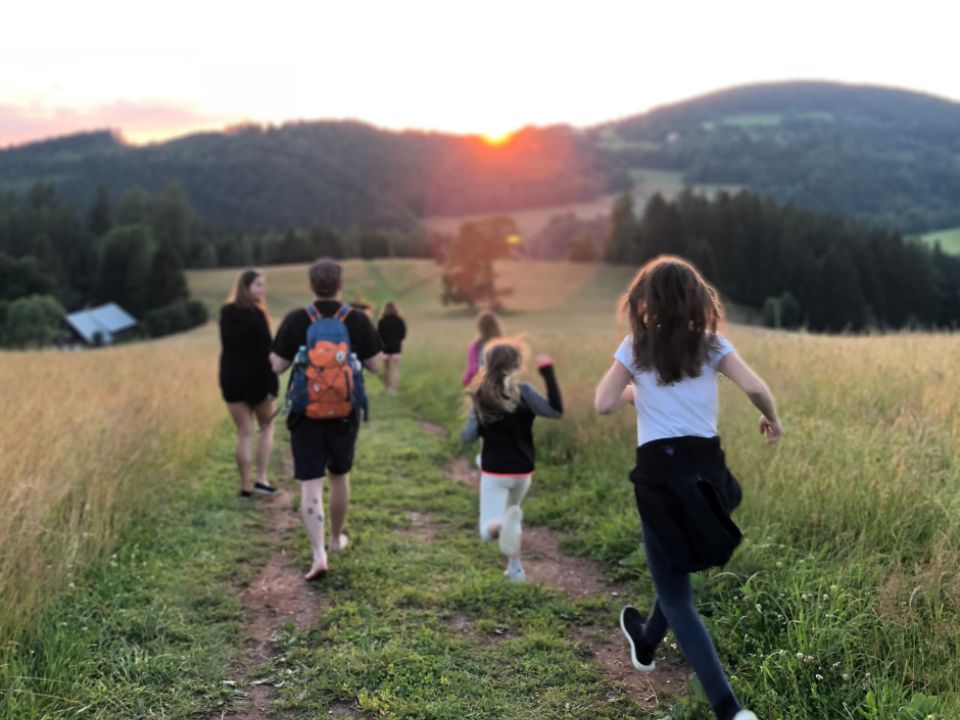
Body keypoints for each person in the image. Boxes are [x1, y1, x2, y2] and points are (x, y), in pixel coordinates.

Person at [594, 256, 781, 720]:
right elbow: (756, 387)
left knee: (676, 594)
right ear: (698, 299)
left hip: (659, 473)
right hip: (706, 469)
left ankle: (729, 710)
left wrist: (632, 391)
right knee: (675, 567)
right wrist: (772, 419)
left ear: (644, 302)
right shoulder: (711, 344)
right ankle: (645, 638)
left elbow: (601, 403)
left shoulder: (635, 346)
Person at [270, 259, 384, 580]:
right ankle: (335, 540)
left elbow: (276, 366)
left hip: (305, 413)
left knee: (310, 484)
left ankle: (318, 553)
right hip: (344, 412)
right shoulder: (356, 319)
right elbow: (377, 365)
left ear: (311, 286)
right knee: (339, 475)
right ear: (340, 284)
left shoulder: (297, 319)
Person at [461, 339, 563, 582]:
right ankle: (515, 569)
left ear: (488, 363)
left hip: (495, 472)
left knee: (489, 529)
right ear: (517, 364)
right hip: (523, 472)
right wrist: (548, 373)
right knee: (510, 513)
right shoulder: (525, 392)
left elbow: (467, 436)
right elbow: (555, 411)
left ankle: (501, 529)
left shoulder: (481, 394)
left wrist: (478, 421)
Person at [218, 268, 278, 498]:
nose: (263, 289)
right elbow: (267, 352)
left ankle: (245, 487)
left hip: (232, 379)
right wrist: (272, 385)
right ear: (247, 288)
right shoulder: (257, 315)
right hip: (258, 379)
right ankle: (261, 479)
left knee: (244, 433)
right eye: (259, 285)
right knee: (266, 428)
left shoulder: (226, 313)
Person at [461, 310, 503, 387]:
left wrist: (465, 380)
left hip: (481, 386)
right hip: (501, 385)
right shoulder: (504, 344)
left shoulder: (475, 346)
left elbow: (472, 370)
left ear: (480, 327)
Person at [377, 301, 407, 396]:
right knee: (394, 369)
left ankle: (385, 387)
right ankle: (394, 389)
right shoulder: (400, 321)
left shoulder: (381, 321)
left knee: (385, 369)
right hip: (396, 348)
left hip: (385, 348)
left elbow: (379, 336)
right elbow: (403, 335)